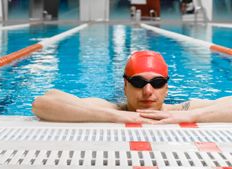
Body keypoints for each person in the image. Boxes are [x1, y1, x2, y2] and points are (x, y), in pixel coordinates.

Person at [32, 50, 232, 124]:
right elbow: (42, 103)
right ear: (125, 86)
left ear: (167, 88)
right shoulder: (111, 108)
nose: (147, 91)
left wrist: (191, 116)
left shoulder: (183, 110)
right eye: (138, 83)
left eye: (157, 83)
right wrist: (116, 117)